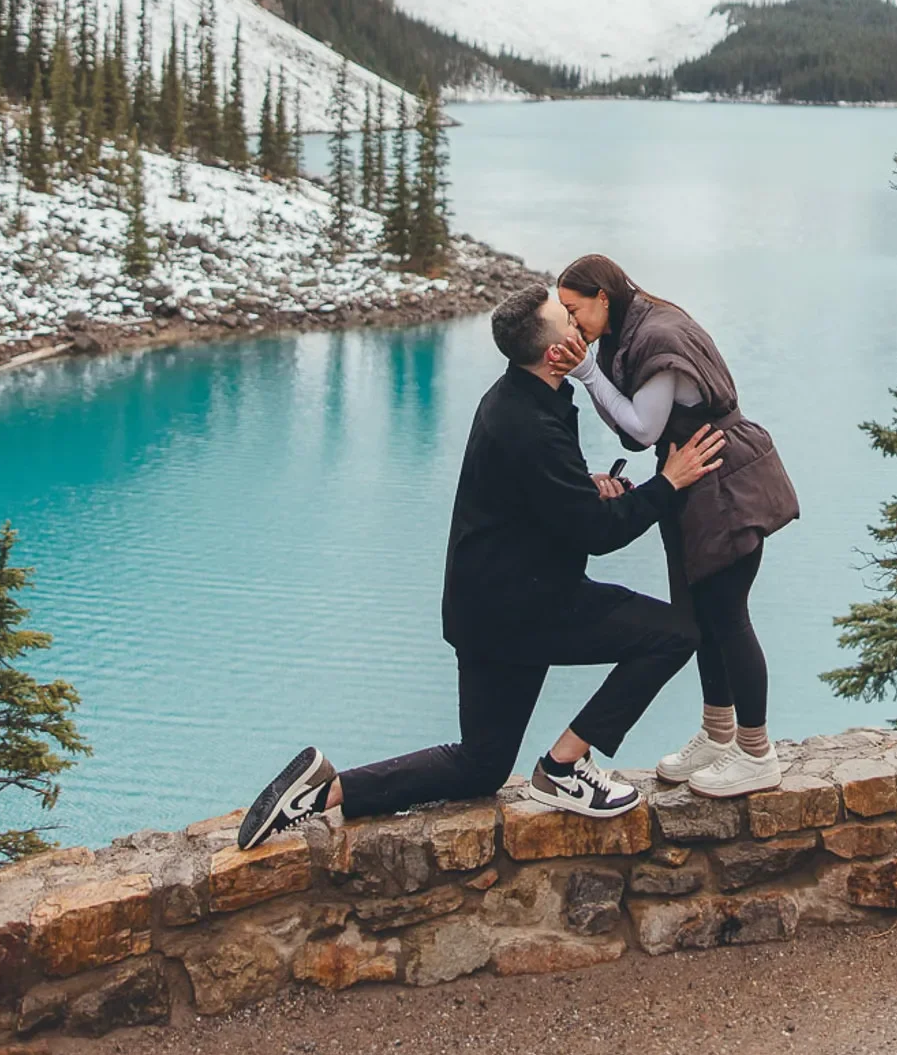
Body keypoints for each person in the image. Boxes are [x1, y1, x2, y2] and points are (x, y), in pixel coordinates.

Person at [236, 281, 725, 850]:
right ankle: (565, 767)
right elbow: (598, 533)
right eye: (566, 321)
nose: (577, 325)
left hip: (485, 609)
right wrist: (668, 483)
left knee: (481, 766)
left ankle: (325, 790)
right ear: (553, 355)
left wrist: (583, 487)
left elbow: (537, 496)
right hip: (530, 608)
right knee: (673, 634)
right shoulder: (532, 425)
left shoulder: (517, 398)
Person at [548, 255, 799, 800]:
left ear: (603, 299)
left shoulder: (658, 339)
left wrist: (587, 373)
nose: (572, 324)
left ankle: (757, 753)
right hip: (692, 483)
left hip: (722, 483)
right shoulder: (632, 327)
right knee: (698, 615)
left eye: (574, 310)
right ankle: (718, 733)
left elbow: (640, 428)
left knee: (728, 618)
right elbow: (635, 423)